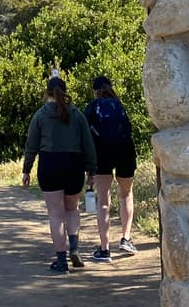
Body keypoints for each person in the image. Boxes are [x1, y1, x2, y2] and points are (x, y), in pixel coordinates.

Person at [22, 75, 96, 273]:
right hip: (74, 164)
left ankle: (61, 260)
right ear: (65, 91)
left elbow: (32, 145)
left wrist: (26, 169)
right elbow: (88, 144)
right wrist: (92, 170)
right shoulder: (78, 115)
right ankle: (74, 248)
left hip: (50, 163)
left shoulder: (40, 115)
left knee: (56, 214)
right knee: (72, 209)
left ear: (48, 93)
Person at [84, 75, 137, 260]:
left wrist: (88, 167)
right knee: (126, 194)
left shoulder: (92, 107)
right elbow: (129, 131)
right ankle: (126, 238)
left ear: (95, 91)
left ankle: (105, 249)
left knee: (103, 201)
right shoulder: (119, 105)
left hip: (101, 154)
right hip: (124, 152)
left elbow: (86, 137)